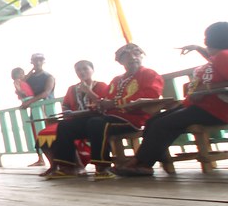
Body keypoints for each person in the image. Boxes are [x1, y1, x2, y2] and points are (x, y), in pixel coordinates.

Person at [116, 22, 228, 176]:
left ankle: (143, 164)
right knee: (153, 121)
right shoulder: (216, 57)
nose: (205, 41)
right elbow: (212, 59)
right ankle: (140, 161)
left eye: (207, 37)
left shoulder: (223, 55)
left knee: (163, 123)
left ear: (215, 39)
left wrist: (205, 89)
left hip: (214, 109)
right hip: (198, 106)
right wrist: (197, 48)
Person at [47, 44, 163, 180]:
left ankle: (102, 167)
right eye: (127, 56)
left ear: (141, 56)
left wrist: (112, 103)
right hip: (108, 117)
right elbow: (105, 100)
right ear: (121, 62)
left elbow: (151, 95)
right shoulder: (116, 80)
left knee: (96, 123)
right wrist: (100, 104)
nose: (132, 58)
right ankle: (69, 167)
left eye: (136, 54)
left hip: (132, 119)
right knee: (65, 126)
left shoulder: (149, 74)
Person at [34, 61, 108, 176]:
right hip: (78, 120)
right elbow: (66, 105)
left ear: (92, 70)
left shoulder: (101, 85)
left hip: (95, 119)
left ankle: (99, 166)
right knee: (61, 127)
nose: (81, 72)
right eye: (78, 70)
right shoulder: (72, 88)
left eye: (85, 69)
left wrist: (88, 91)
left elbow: (104, 104)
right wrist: (68, 113)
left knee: (95, 124)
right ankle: (68, 166)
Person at [22, 53, 55, 166]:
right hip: (35, 109)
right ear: (32, 62)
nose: (38, 62)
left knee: (50, 132)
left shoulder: (48, 76)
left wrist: (29, 102)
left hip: (47, 109)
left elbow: (46, 92)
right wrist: (32, 71)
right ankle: (40, 158)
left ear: (44, 61)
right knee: (37, 132)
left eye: (40, 60)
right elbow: (21, 83)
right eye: (35, 60)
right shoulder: (30, 77)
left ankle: (55, 159)